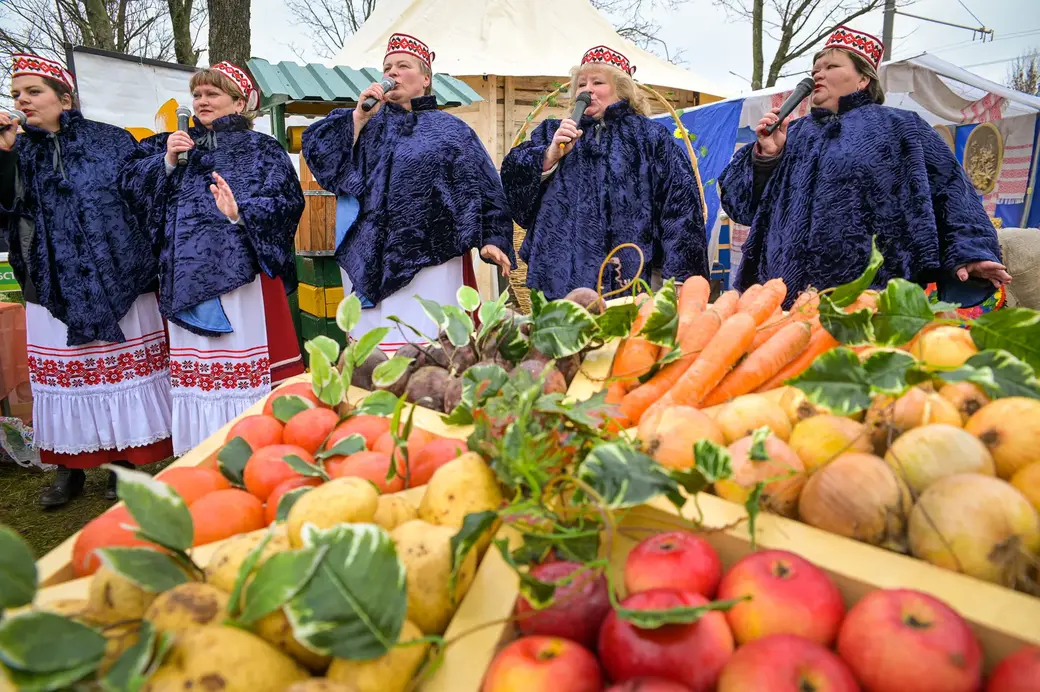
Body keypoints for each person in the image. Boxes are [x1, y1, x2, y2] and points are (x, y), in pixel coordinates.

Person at [720, 26, 1010, 307]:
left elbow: (952, 191)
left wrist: (971, 250)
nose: (817, 73)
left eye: (831, 66)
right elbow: (741, 206)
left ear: (863, 79)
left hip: (871, 300)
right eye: (814, 69)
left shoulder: (902, 128)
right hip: (781, 301)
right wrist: (766, 157)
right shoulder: (790, 135)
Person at [0, 54, 173, 506]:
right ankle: (69, 469)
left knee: (116, 369)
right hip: (50, 283)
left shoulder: (110, 142)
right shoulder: (15, 152)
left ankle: (125, 464)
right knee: (65, 378)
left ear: (65, 96)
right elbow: (6, 212)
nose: (22, 100)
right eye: (17, 93)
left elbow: (145, 196)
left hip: (117, 279)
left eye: (33, 91)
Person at [120, 62, 305, 456]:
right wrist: (167, 162)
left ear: (239, 102)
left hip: (240, 276)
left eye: (212, 94)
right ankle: (201, 450)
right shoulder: (172, 143)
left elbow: (287, 202)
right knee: (199, 372)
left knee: (242, 365)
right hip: (183, 274)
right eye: (198, 94)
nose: (201, 101)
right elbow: (130, 188)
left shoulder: (264, 149)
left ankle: (254, 447)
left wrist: (241, 212)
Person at [301, 34, 515, 353]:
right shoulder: (362, 122)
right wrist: (358, 118)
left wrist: (493, 238)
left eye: (403, 65)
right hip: (369, 253)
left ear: (425, 78)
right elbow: (319, 151)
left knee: (429, 350)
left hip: (434, 257)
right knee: (374, 357)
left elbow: (485, 187)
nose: (393, 72)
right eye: (387, 66)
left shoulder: (452, 132)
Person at [500, 46, 710, 300]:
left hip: (627, 278)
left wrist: (682, 275)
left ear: (622, 90)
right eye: (581, 84)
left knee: (622, 339)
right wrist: (549, 155)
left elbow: (681, 206)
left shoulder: (650, 138)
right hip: (558, 276)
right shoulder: (551, 133)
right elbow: (512, 177)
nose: (587, 90)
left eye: (598, 82)